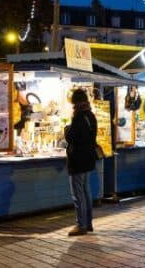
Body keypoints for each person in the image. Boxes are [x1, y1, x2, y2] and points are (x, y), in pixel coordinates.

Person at [65, 89, 98, 236]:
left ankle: (81, 225)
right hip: (88, 159)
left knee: (78, 193)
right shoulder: (91, 115)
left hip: (78, 160)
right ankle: (88, 223)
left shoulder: (79, 117)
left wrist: (66, 130)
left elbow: (72, 137)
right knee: (85, 191)